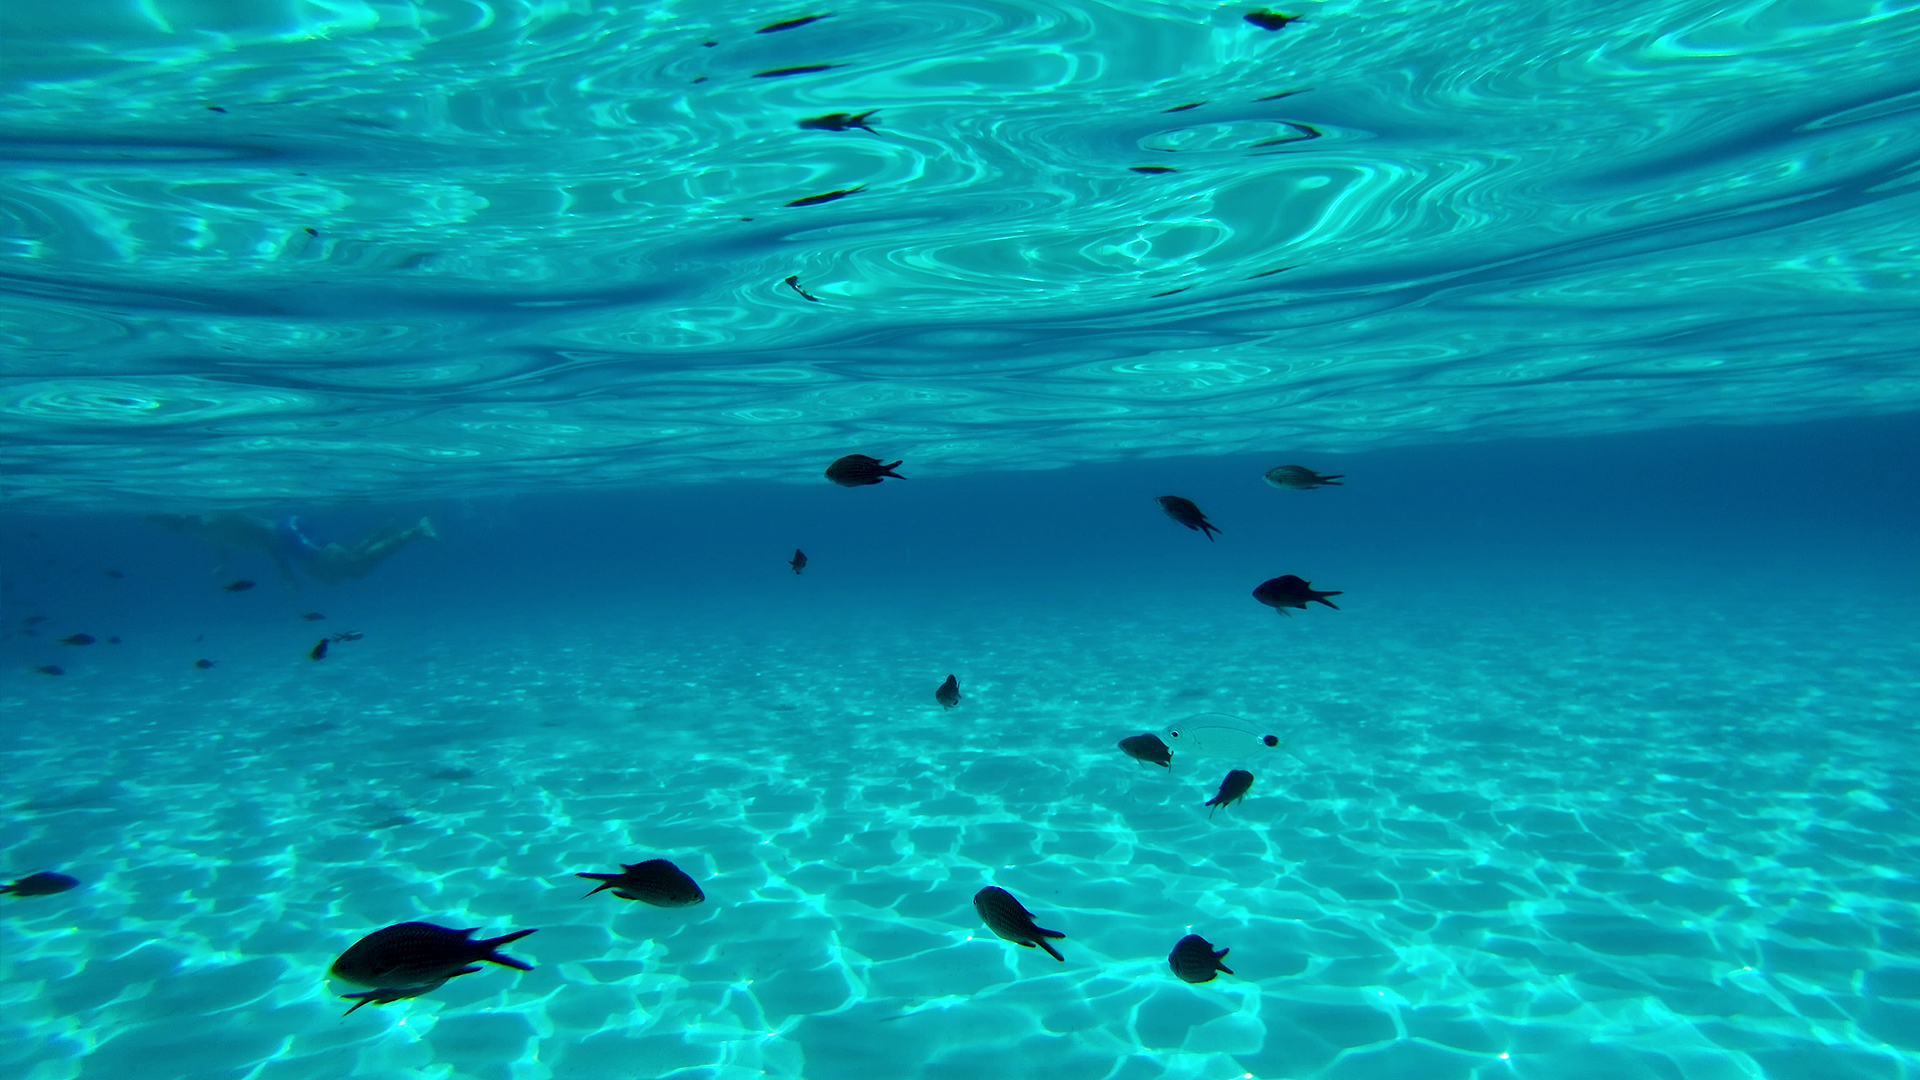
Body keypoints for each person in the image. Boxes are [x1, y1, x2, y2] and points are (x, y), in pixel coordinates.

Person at [150, 511, 437, 586]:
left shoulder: (213, 520)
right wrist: (222, 563)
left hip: (288, 533)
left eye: (168, 524)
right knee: (335, 577)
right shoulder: (199, 529)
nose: (169, 529)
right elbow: (218, 543)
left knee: (354, 568)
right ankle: (383, 532)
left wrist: (286, 577)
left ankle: (416, 531)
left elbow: (268, 541)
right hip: (290, 542)